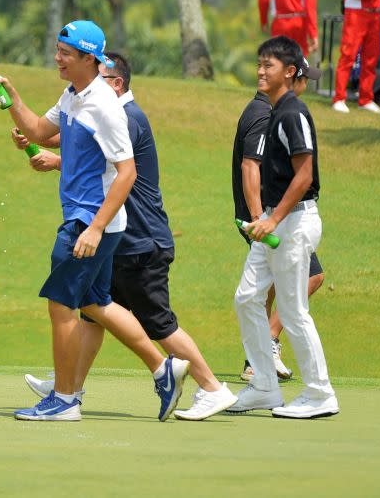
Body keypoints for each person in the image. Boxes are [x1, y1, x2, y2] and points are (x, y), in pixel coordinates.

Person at [15, 52, 237, 421]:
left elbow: (103, 160)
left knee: (158, 323)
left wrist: (54, 158)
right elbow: (79, 140)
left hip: (140, 241)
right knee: (94, 310)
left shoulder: (125, 116)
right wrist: (39, 141)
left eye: (103, 80)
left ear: (116, 84)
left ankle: (212, 387)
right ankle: (68, 386)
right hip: (122, 236)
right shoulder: (101, 109)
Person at [0, 21, 189, 422]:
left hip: (88, 222)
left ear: (88, 59)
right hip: (94, 222)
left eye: (65, 52)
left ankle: (64, 400)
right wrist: (12, 100)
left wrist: (94, 227)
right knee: (96, 303)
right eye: (58, 50)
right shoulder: (73, 95)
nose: (57, 58)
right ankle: (163, 368)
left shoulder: (104, 106)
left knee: (61, 306)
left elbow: (127, 172)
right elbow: (42, 131)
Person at [228, 36, 338, 419]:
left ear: (289, 72)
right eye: (259, 63)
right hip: (275, 218)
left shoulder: (293, 112)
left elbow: (305, 174)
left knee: (292, 311)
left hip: (294, 220)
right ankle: (263, 385)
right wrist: (266, 216)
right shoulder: (274, 111)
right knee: (246, 298)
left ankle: (320, 393)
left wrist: (271, 219)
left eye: (268, 65)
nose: (260, 71)